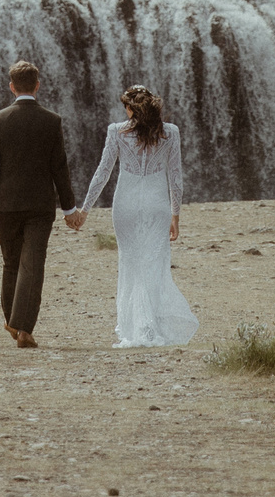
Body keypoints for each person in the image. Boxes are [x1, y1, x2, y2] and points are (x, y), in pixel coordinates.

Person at [66, 84, 198, 347]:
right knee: (151, 264)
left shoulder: (116, 131)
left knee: (131, 264)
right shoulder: (170, 132)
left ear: (129, 108)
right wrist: (176, 216)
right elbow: (176, 179)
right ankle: (149, 327)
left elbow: (103, 173)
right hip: (157, 205)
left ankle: (137, 327)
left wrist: (85, 209)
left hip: (125, 205)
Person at [0, 58, 77, 349]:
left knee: (11, 263)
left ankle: (13, 321)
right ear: (37, 86)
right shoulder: (51, 120)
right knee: (32, 265)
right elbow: (59, 167)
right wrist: (69, 208)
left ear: (12, 87)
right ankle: (23, 328)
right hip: (39, 205)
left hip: (6, 204)